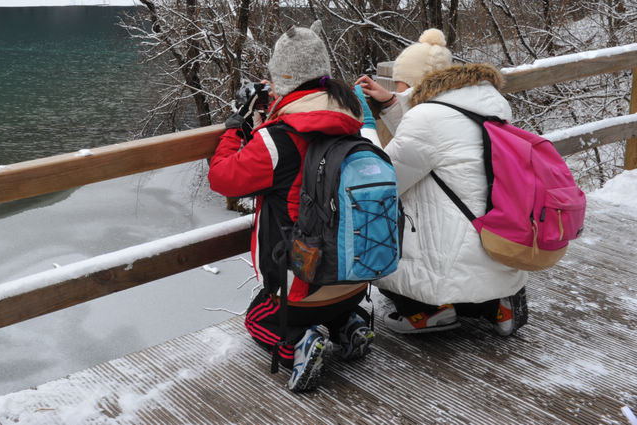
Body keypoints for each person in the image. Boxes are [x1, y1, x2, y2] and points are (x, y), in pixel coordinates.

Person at [208, 22, 376, 393]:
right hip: (353, 275)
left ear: (283, 78)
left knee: (257, 319)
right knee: (336, 308)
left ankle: (296, 347)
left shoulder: (278, 139)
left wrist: (237, 125)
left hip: (302, 285)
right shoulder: (349, 121)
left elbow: (222, 178)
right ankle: (350, 326)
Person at [355, 28, 528, 336]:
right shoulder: (487, 105)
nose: (398, 93)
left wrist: (366, 128)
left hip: (452, 255)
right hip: (499, 242)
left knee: (387, 235)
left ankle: (427, 313)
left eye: (402, 87)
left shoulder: (427, 120)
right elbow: (434, 135)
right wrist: (393, 104)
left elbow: (386, 177)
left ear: (417, 86)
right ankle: (497, 305)